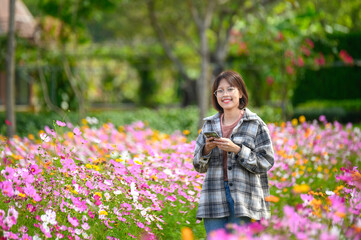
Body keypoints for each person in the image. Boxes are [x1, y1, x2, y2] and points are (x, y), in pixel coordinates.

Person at [193, 70, 275, 237]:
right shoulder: (209, 125)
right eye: (220, 91)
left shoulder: (255, 123)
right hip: (214, 196)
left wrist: (238, 150)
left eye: (230, 89)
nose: (225, 94)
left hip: (246, 197)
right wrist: (207, 149)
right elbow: (198, 166)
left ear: (241, 93)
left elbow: (266, 162)